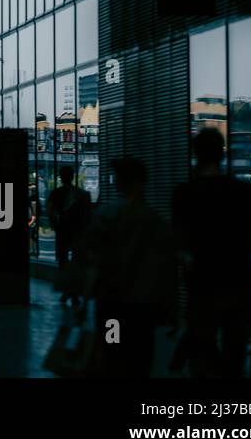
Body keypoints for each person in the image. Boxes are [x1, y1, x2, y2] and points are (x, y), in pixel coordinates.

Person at [172, 128, 251, 378]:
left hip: (202, 285)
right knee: (235, 353)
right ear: (222, 154)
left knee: (203, 352)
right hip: (238, 282)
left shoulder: (184, 193)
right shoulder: (245, 191)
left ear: (195, 154)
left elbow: (178, 244)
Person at [80, 157, 176, 377]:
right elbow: (166, 269)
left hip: (111, 306)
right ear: (143, 182)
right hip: (143, 309)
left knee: (111, 355)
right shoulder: (156, 222)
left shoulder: (105, 216)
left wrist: (84, 301)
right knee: (140, 360)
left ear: (119, 183)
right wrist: (171, 307)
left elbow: (95, 264)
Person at [47, 167, 92, 296]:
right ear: (73, 176)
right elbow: (88, 214)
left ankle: (66, 290)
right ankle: (75, 292)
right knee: (77, 260)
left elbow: (50, 210)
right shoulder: (81, 194)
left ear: (61, 177)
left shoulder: (56, 193)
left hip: (63, 229)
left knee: (63, 260)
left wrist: (55, 225)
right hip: (78, 230)